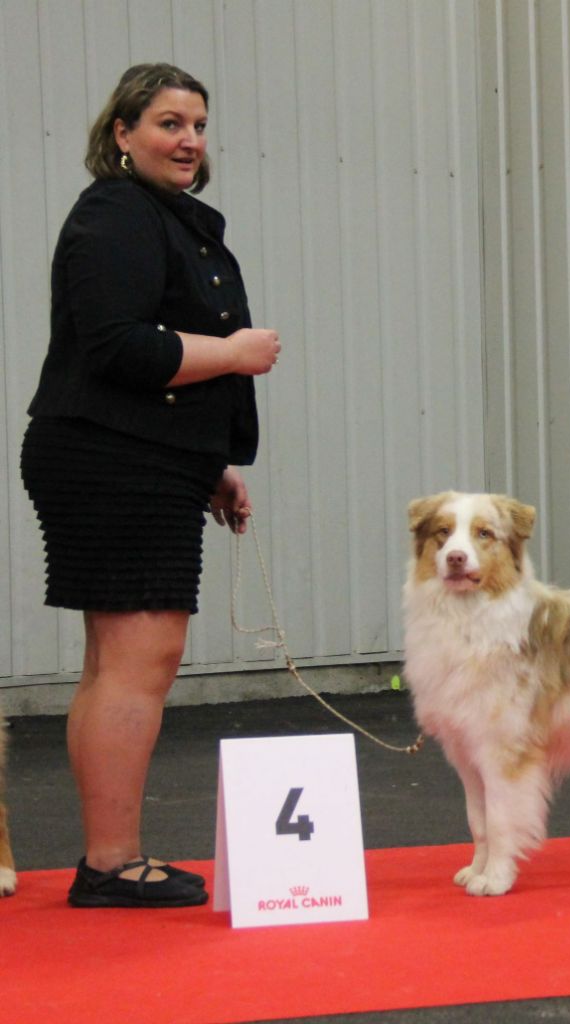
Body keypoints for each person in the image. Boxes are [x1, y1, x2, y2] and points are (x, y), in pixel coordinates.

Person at [20, 63, 280, 908]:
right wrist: (236, 353)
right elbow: (120, 347)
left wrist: (208, 466)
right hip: (109, 456)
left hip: (137, 453)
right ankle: (111, 863)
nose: (190, 140)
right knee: (139, 660)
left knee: (117, 663)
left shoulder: (159, 216)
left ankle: (109, 857)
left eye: (199, 124)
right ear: (123, 132)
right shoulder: (116, 211)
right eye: (169, 123)